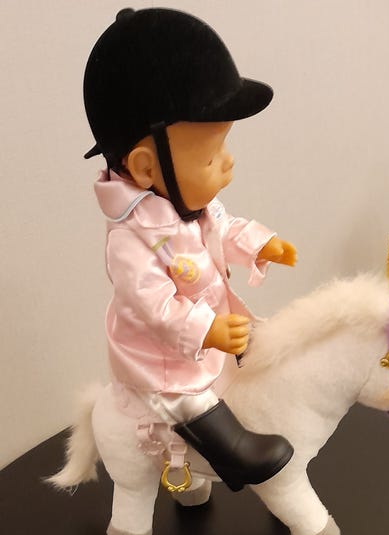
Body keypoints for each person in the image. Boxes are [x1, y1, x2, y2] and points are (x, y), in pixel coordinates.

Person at [83, 8, 297, 493]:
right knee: (188, 397)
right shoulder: (130, 241)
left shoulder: (190, 206)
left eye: (223, 148)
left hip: (209, 333)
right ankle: (233, 454)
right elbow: (152, 305)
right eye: (210, 155)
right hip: (159, 355)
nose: (228, 163)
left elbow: (225, 227)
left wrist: (260, 244)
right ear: (146, 167)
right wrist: (206, 329)